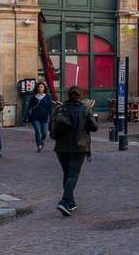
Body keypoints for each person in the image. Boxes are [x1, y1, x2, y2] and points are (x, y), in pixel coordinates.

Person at [50, 86, 97, 215]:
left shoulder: (61, 108)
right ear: (80, 96)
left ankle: (70, 201)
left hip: (62, 146)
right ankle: (64, 201)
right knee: (73, 174)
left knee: (67, 173)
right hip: (79, 146)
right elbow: (94, 127)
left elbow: (52, 126)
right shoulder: (85, 109)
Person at [25, 81, 55, 152]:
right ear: (37, 88)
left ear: (44, 88)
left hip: (44, 117)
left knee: (44, 133)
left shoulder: (48, 97)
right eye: (39, 87)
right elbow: (29, 107)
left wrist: (51, 117)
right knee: (38, 131)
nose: (40, 88)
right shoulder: (33, 97)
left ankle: (42, 140)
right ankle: (39, 145)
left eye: (41, 87)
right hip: (35, 117)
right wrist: (27, 115)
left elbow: (50, 108)